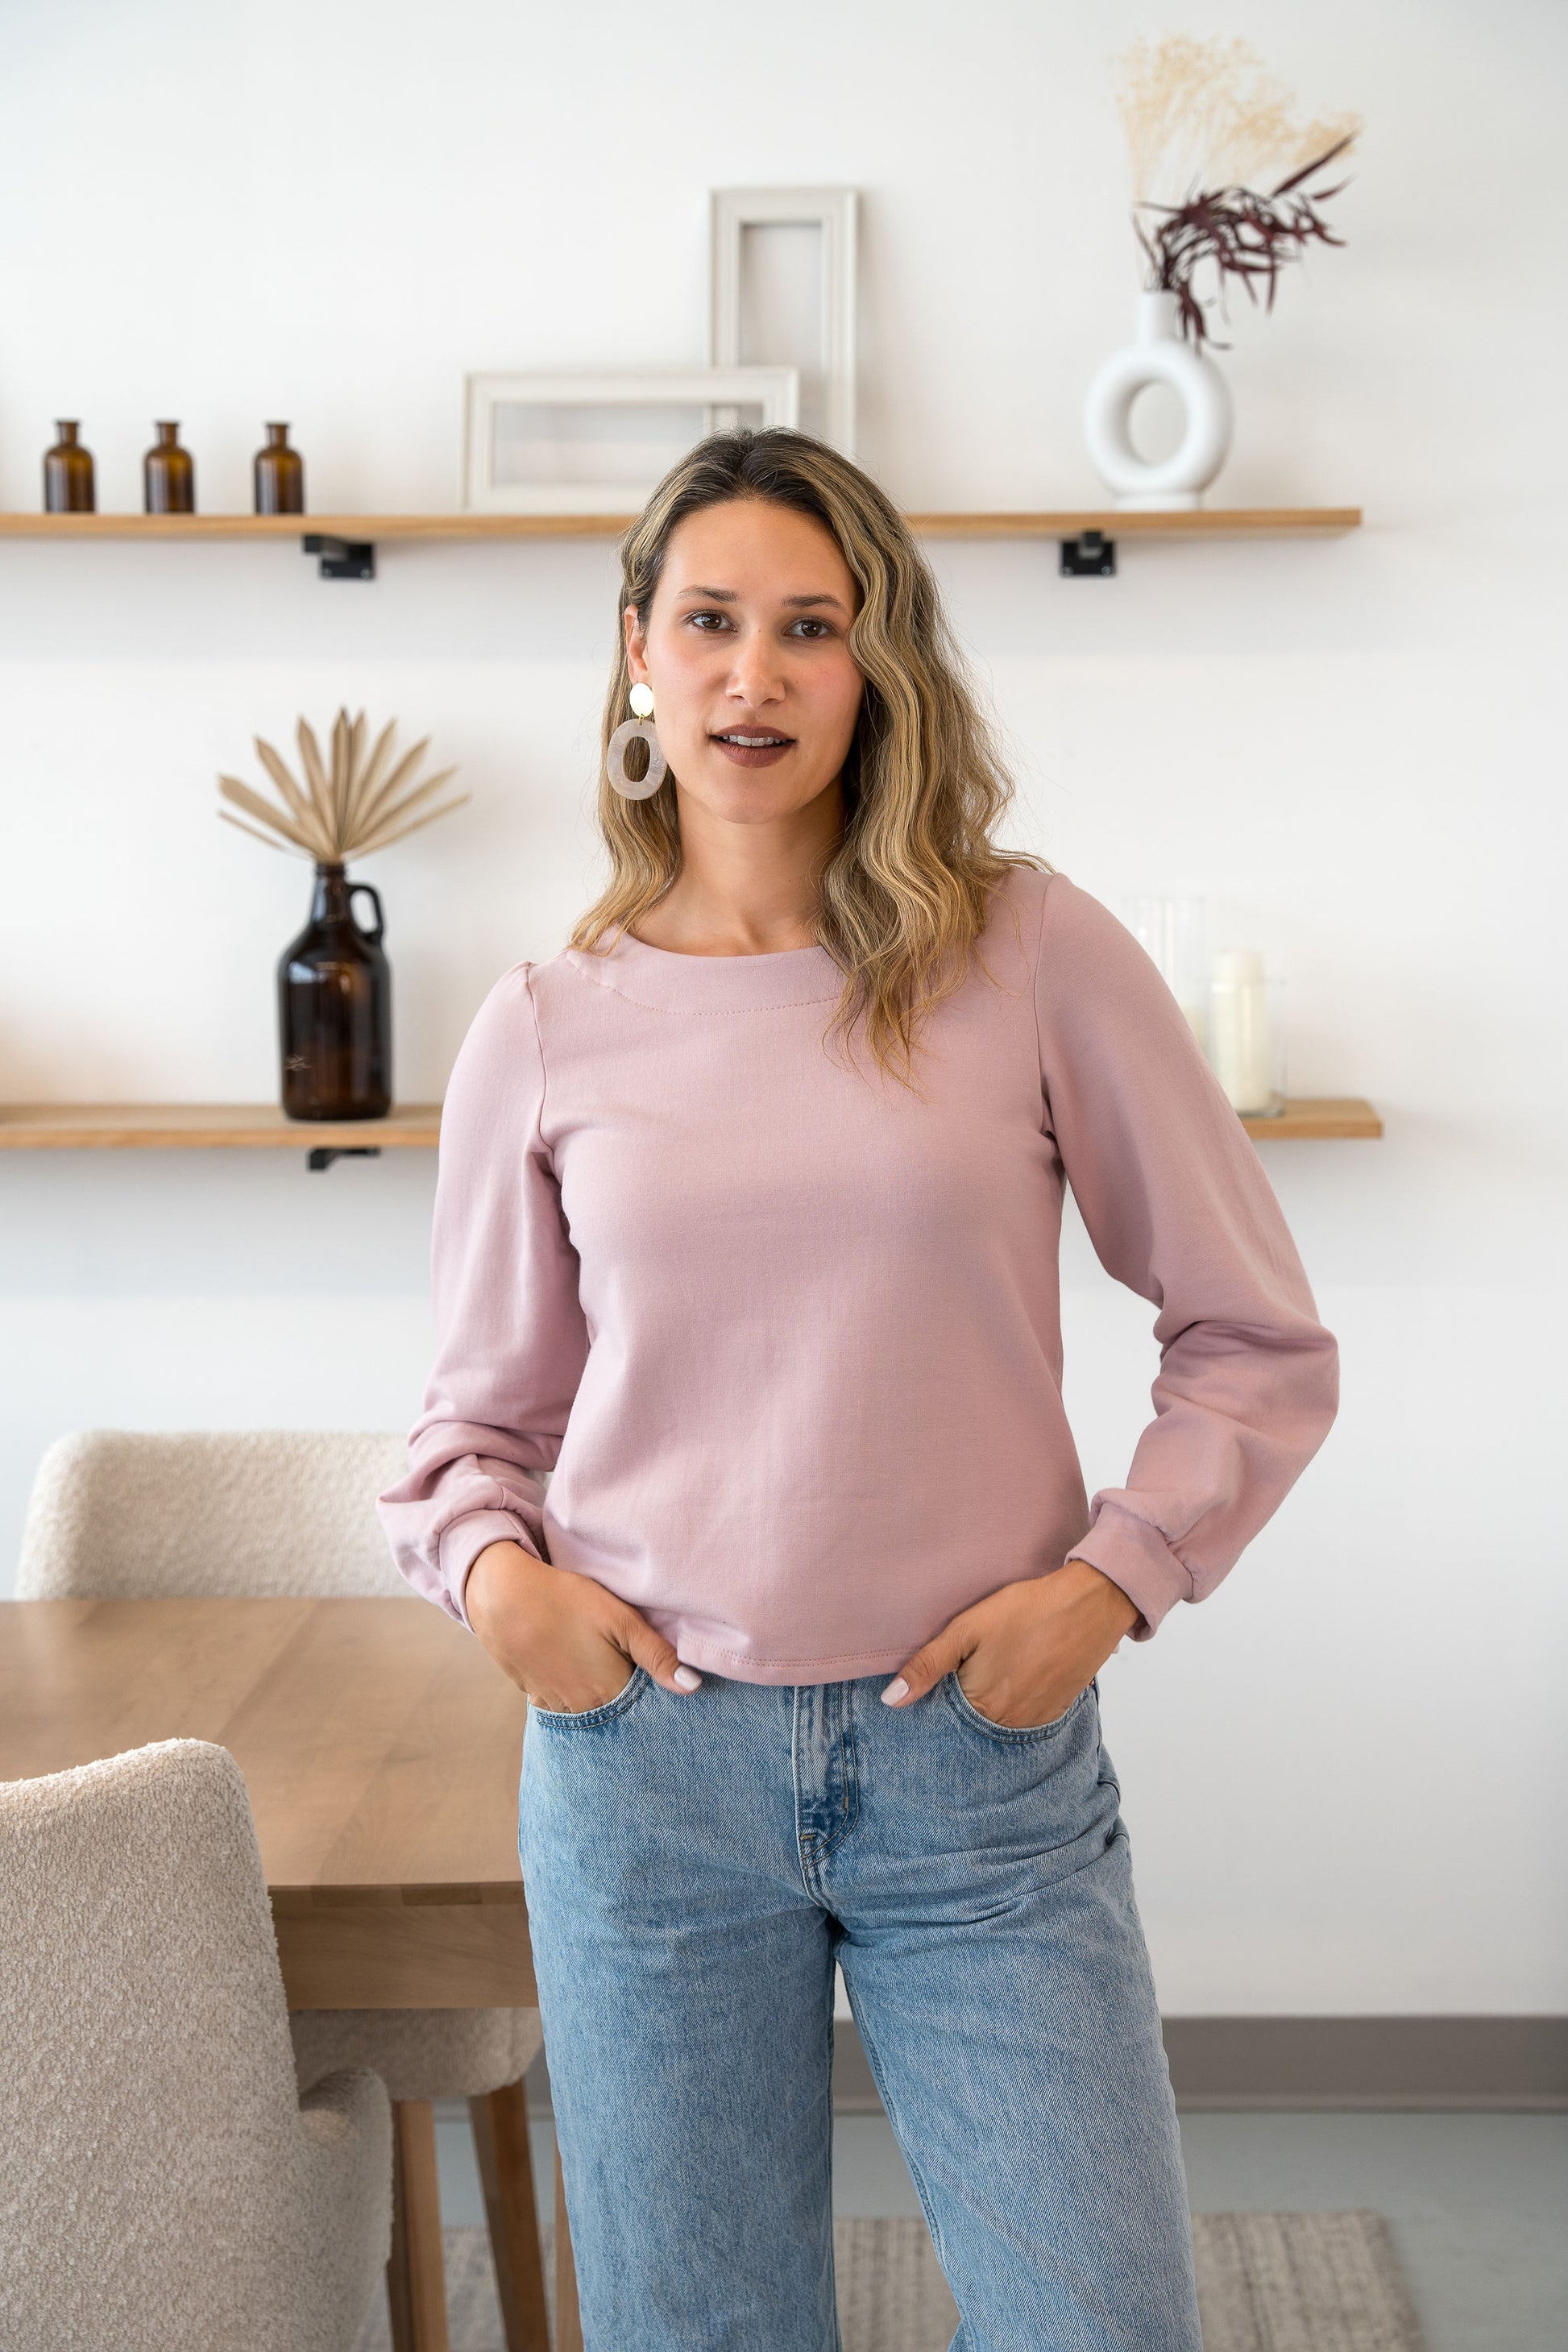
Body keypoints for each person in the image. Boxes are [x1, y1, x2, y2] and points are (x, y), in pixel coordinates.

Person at [377, 428, 1338, 2352]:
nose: (756, 672)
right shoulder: (547, 1026)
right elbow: (468, 1431)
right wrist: (504, 1587)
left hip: (973, 1765)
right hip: (652, 1777)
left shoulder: (1030, 950)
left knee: (1105, 2322)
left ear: (876, 663)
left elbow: (1251, 1328)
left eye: (810, 626)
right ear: (636, 652)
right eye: (712, 621)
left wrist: (1111, 1580)